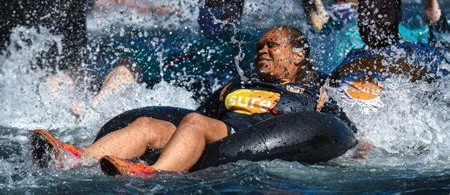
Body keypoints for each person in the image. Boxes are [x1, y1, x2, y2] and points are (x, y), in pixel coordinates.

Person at [30, 25, 355, 175]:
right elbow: (190, 116)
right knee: (148, 125)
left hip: (249, 137)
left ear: (297, 56)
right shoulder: (235, 85)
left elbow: (341, 127)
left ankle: (154, 174)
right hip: (216, 135)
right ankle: (76, 159)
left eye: (273, 46)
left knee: (196, 125)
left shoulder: (316, 91)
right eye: (259, 48)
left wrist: (361, 145)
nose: (263, 52)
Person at [302, 0, 448, 72]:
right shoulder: (342, 21)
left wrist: (433, 15)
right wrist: (314, 15)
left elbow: (436, 46)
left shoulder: (385, 27)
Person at [329, 0, 447, 112]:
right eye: (367, 12)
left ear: (399, 15)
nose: (374, 19)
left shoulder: (422, 55)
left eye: (383, 13)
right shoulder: (350, 57)